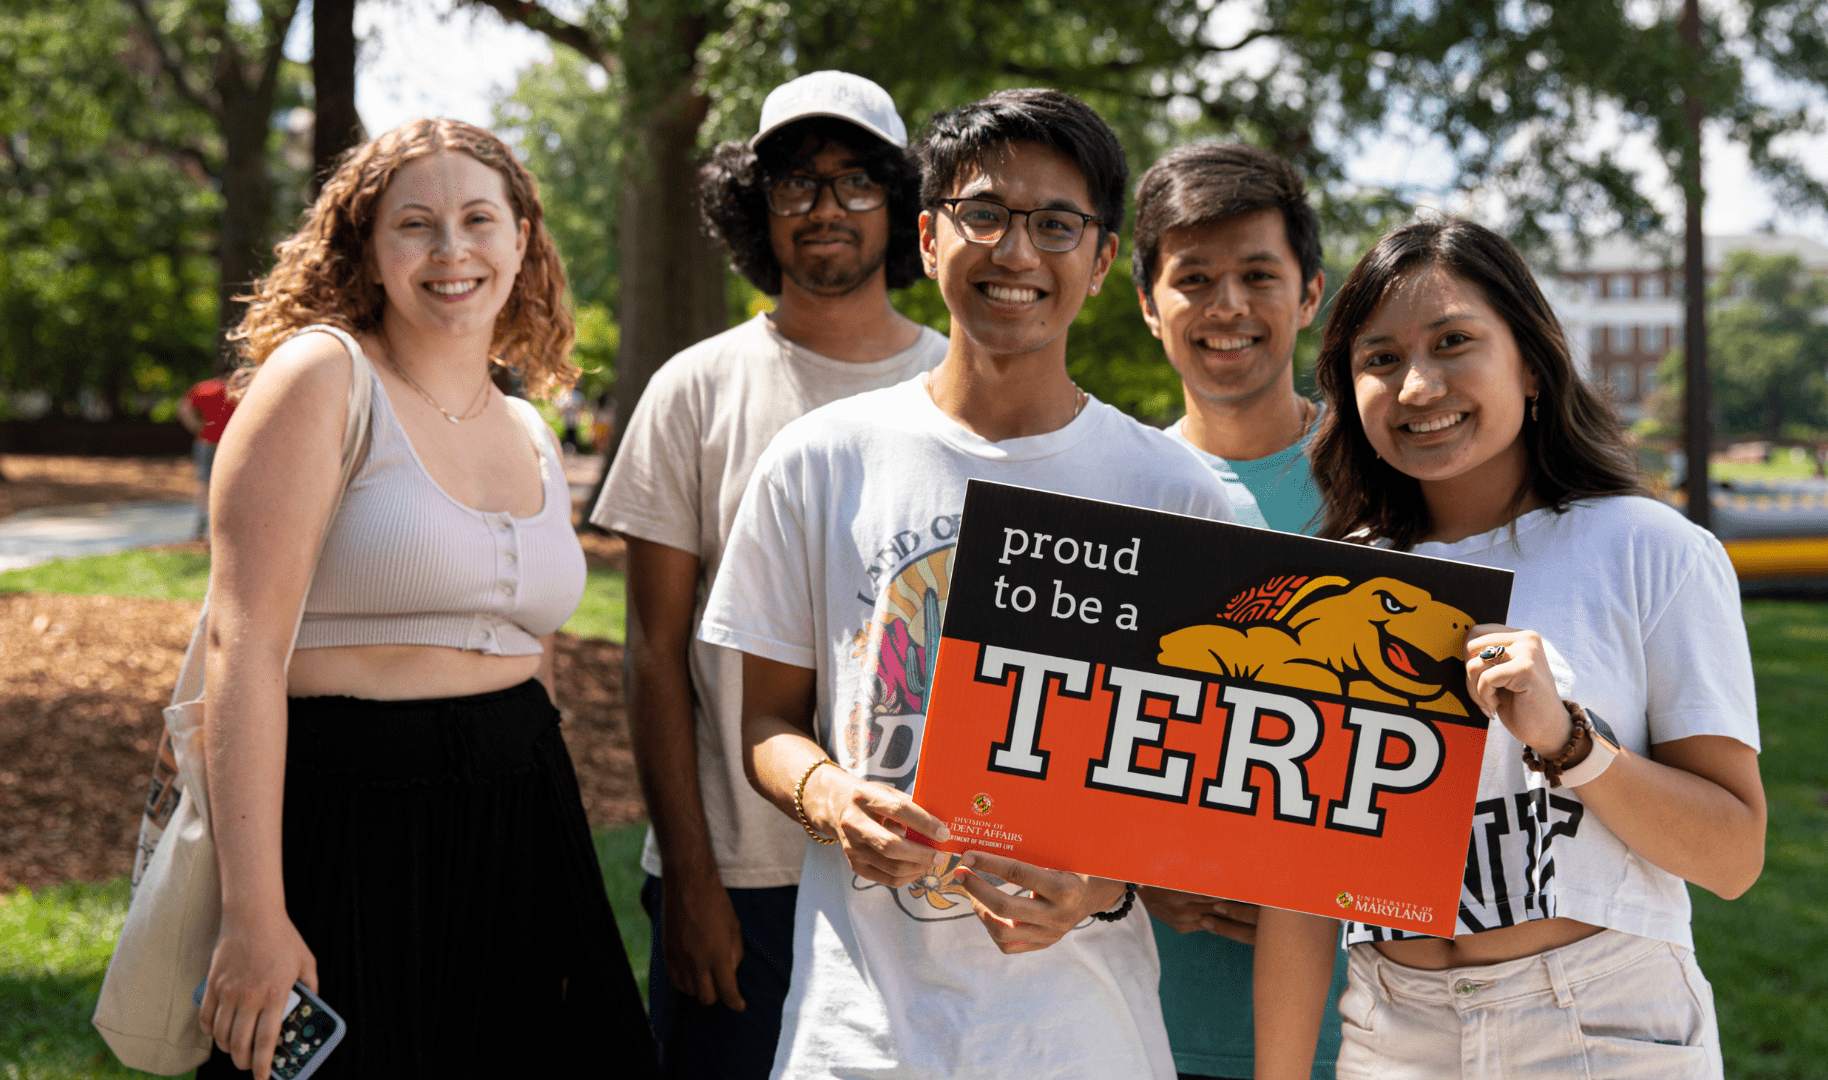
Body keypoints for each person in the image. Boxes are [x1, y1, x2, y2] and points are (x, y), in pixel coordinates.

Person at [696, 88, 1237, 1079]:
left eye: (1056, 224)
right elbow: (766, 726)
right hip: (857, 1038)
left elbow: (1197, 788)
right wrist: (829, 798)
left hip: (1086, 1037)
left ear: (1104, 258)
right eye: (983, 213)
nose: (1017, 251)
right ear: (931, 237)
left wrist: (1103, 883)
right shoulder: (819, 459)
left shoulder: (1173, 492)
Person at [1253, 219, 1765, 1079]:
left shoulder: (1651, 550)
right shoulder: (1336, 591)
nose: (1417, 384)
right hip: (1391, 1034)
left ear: (1531, 362)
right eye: (1378, 359)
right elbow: (1303, 897)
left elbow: (1733, 856)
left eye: (1454, 342)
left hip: (1599, 1023)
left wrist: (1570, 741)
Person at [196, 119, 654, 1079]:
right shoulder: (324, 378)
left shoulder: (530, 426)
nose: (452, 251)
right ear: (368, 246)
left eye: (479, 219)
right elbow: (240, 651)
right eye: (416, 224)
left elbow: (532, 643)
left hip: (521, 812)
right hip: (348, 814)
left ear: (522, 237)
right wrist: (254, 911)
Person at [588, 70, 946, 1076]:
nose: (824, 208)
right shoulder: (693, 389)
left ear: (903, 204)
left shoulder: (961, 384)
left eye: (855, 183)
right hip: (742, 873)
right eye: (795, 183)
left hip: (918, 862)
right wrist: (693, 876)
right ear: (757, 205)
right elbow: (656, 651)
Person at [1130, 141, 1344, 1080]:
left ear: (1308, 296)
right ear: (1147, 303)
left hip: (1374, 1026)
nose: (1227, 307)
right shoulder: (1108, 491)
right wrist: (1136, 876)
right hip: (1151, 1021)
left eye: (1259, 275)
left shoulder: (1395, 487)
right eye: (1194, 278)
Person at [178, 375, 238, 538]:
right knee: (230, 483)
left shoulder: (202, 388)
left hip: (205, 442)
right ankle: (226, 523)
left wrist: (197, 427)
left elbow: (183, 410)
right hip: (229, 443)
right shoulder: (236, 390)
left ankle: (202, 520)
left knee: (203, 483)